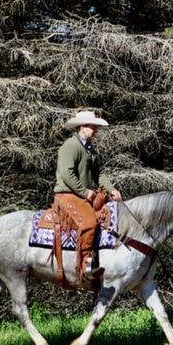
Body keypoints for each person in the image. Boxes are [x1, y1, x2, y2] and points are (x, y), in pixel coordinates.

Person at [53, 110, 122, 281]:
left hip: (81, 196)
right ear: (82, 127)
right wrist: (86, 192)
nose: (96, 130)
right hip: (67, 195)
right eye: (93, 127)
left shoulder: (90, 149)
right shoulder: (70, 146)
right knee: (90, 223)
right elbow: (67, 174)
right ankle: (85, 266)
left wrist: (111, 189)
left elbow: (99, 175)